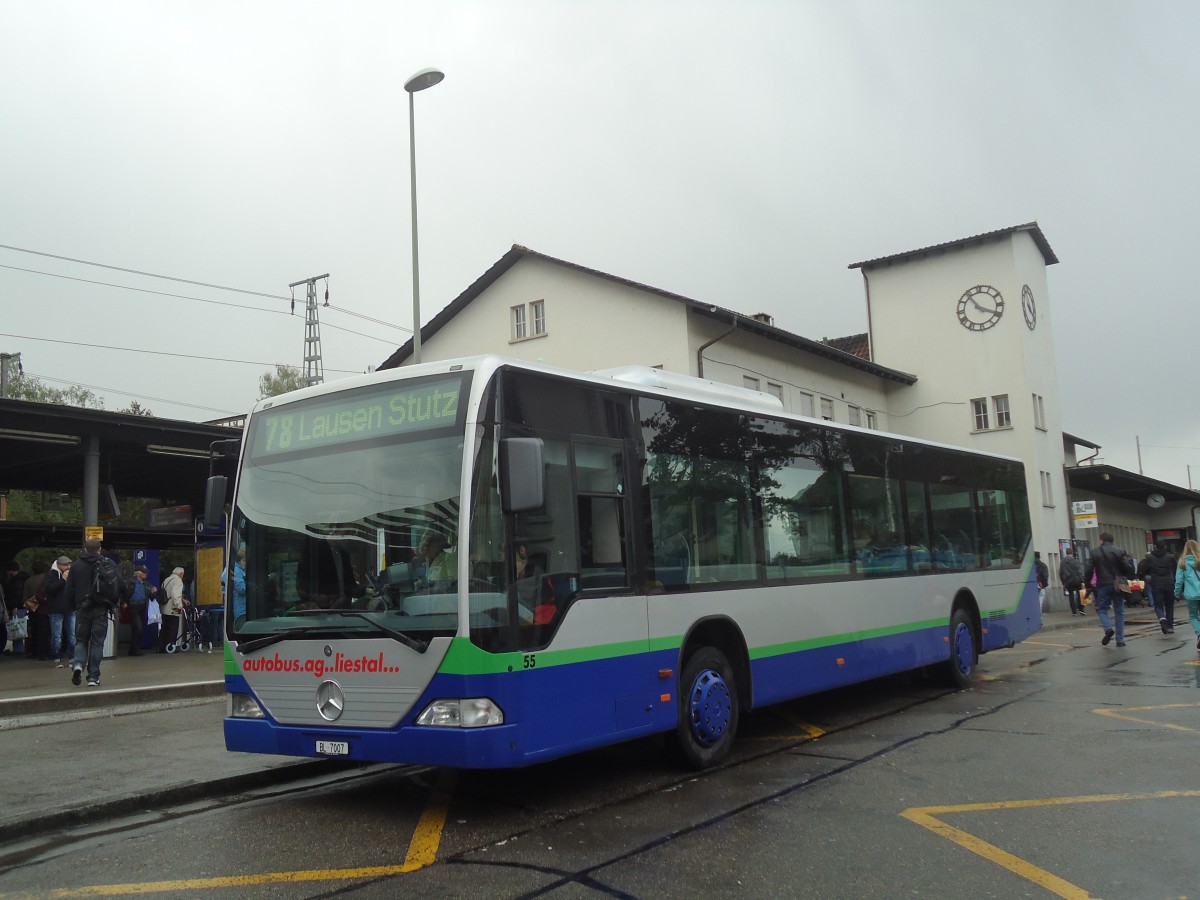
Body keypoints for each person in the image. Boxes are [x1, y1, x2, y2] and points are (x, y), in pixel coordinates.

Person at [69, 539, 123, 687]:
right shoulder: (108, 564)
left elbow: (70, 589)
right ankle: (93, 677)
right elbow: (120, 585)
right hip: (101, 608)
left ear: (85, 549)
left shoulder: (76, 566)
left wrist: (73, 605)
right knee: (97, 643)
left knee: (80, 640)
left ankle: (78, 664)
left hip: (82, 608)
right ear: (99, 549)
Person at [1083, 531, 1135, 648]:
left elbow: (1089, 570)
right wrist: (1124, 576)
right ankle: (1120, 640)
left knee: (1101, 609)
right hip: (1119, 583)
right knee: (1119, 611)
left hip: (1103, 583)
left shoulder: (1095, 552)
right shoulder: (1120, 551)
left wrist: (1088, 584)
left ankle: (1108, 628)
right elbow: (1127, 567)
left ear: (1101, 540)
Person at [1141, 540, 1179, 634]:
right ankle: (1170, 626)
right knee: (1169, 605)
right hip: (1169, 583)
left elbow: (1144, 569)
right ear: (1165, 546)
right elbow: (1176, 568)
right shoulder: (1170, 557)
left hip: (1156, 583)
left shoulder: (1150, 557)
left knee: (1158, 605)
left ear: (1155, 546)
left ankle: (1162, 618)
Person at [44, 556, 75, 667]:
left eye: (69, 565)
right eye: (66, 565)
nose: (68, 567)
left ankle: (72, 657)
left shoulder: (72, 575)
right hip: (55, 610)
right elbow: (50, 591)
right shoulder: (50, 575)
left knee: (72, 635)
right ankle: (57, 657)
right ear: (59, 565)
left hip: (70, 609)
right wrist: (62, 580)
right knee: (57, 636)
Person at [122, 564, 157, 656]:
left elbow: (152, 597)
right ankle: (134, 649)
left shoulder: (146, 584)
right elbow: (124, 593)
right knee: (138, 627)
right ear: (138, 573)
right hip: (133, 606)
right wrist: (124, 602)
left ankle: (133, 648)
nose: (146, 574)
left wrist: (154, 592)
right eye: (144, 572)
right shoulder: (131, 583)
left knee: (138, 628)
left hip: (142, 606)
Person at [22, 561, 51, 661]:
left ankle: (35, 652)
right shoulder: (48, 578)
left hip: (33, 610)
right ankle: (47, 652)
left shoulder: (28, 581)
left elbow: (25, 598)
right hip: (47, 608)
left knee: (34, 631)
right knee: (47, 631)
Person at [1174, 540, 1200, 651]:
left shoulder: (1182, 562)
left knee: (1193, 616)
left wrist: (1176, 593)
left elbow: (1179, 581)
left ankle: (1199, 633)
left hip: (1191, 595)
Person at [158, 566, 187, 653]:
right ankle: (170, 646)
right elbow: (175, 594)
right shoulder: (178, 580)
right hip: (172, 608)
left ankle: (161, 646)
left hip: (164, 607)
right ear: (181, 573)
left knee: (164, 627)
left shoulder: (167, 579)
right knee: (173, 627)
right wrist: (179, 605)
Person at [1058, 547, 1085, 616]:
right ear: (1072, 553)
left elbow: (1061, 572)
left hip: (1068, 581)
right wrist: (1082, 581)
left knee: (1071, 595)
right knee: (1079, 595)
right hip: (1076, 580)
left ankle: (1074, 611)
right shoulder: (1075, 561)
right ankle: (1081, 609)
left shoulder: (1063, 562)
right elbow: (1079, 571)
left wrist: (1063, 581)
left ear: (1066, 553)